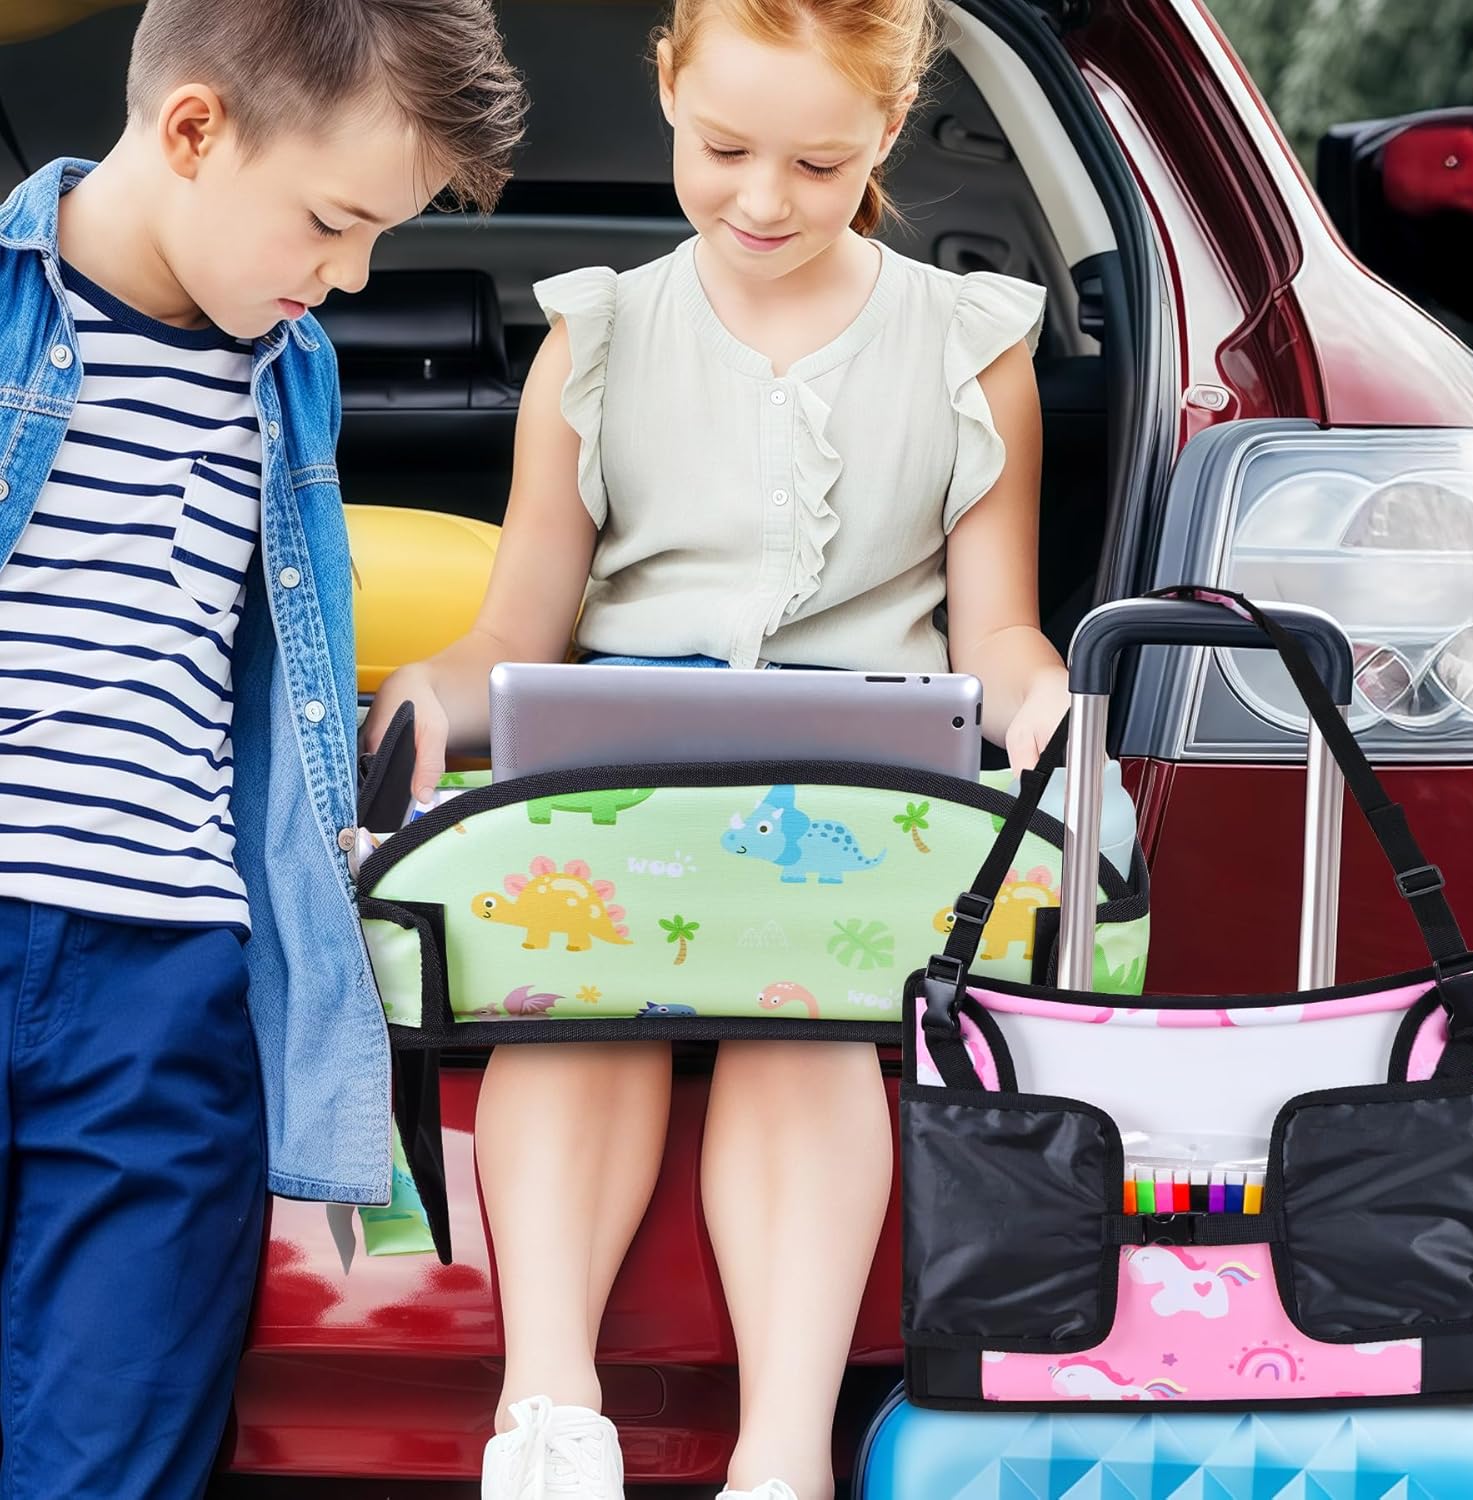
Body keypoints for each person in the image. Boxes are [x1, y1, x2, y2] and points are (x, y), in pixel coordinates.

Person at [364, 1, 1068, 1495]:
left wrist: (1041, 700)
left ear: (888, 131)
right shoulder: (598, 336)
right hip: (625, 792)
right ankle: (547, 1416)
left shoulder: (971, 348)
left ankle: (781, 1456)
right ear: (669, 87)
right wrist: (423, 695)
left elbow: (999, 630)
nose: (763, 200)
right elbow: (514, 636)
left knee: (799, 1023)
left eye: (818, 165)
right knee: (577, 1003)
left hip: (863, 796)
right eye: (726, 149)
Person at [0, 3, 523, 1495]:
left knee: (112, 1454)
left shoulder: (286, 378)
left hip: (171, 990)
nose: (350, 276)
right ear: (192, 130)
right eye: (334, 223)